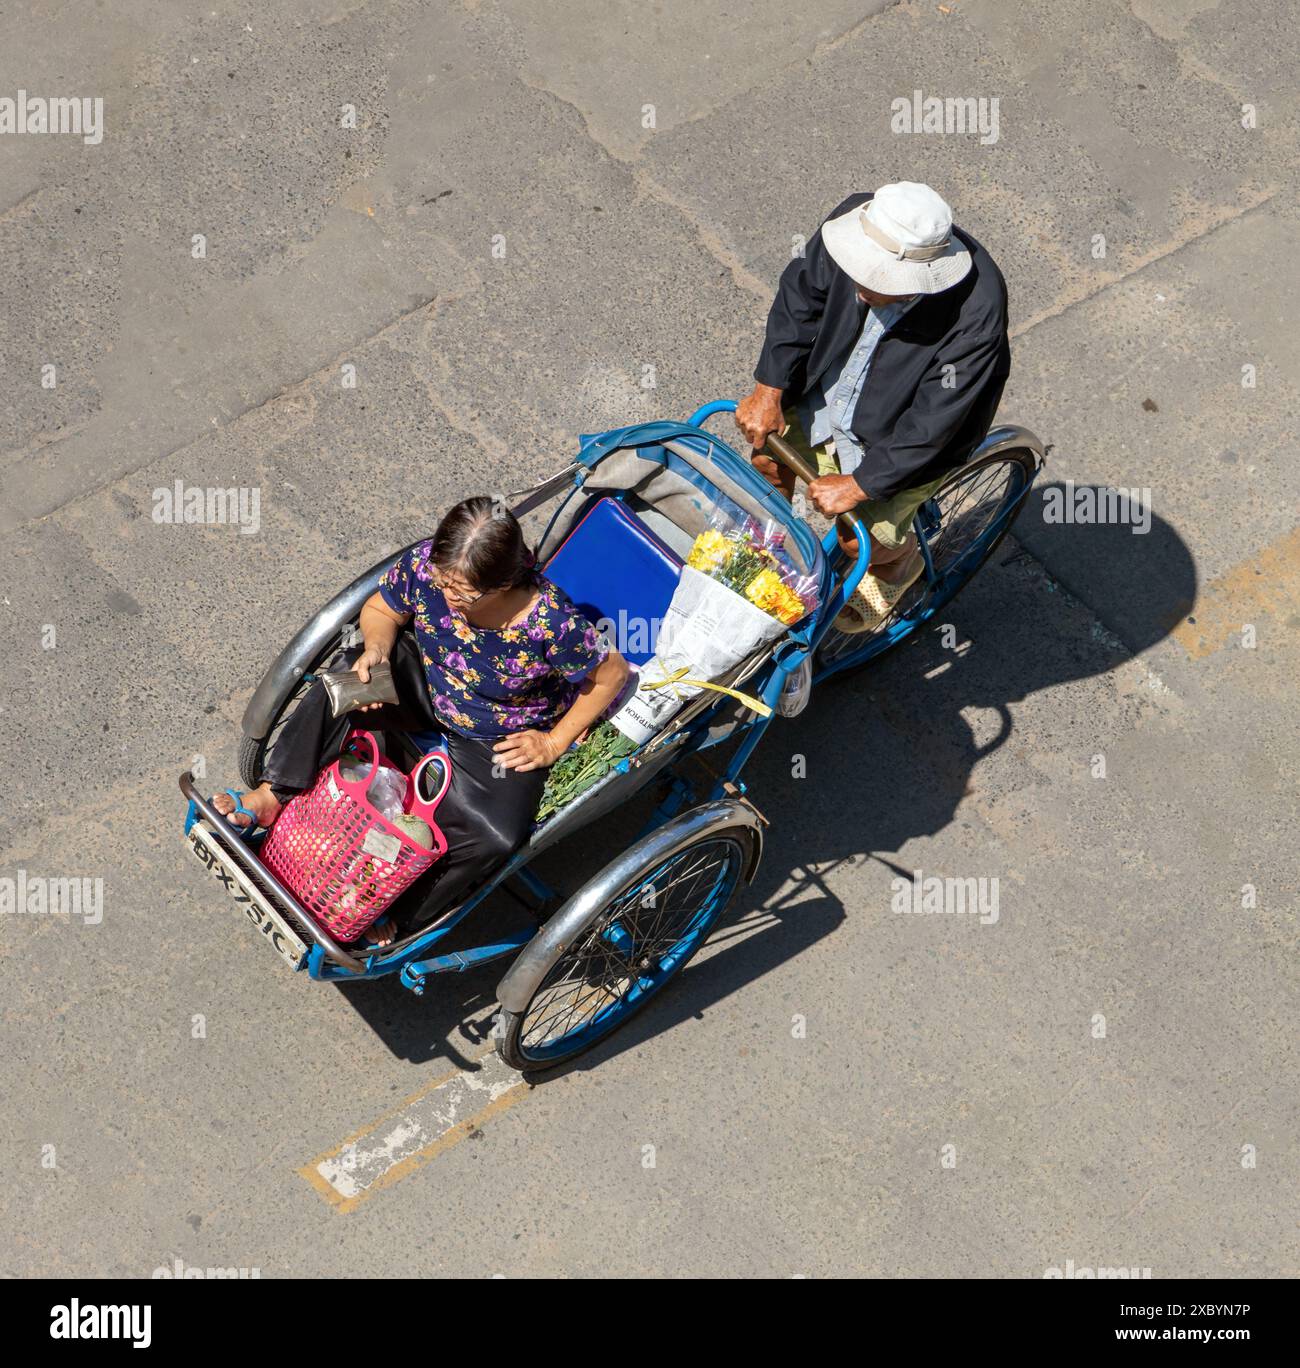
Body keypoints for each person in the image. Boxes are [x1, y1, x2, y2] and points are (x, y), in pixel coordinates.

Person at [215, 497, 629, 945]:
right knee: (346, 677)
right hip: (426, 681)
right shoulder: (425, 564)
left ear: (506, 581)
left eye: (464, 592)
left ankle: (390, 907)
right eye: (443, 581)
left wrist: (553, 742)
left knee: (495, 834)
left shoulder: (551, 621)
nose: (449, 596)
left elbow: (611, 675)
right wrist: (376, 649)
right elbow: (382, 609)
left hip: (496, 728)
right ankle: (274, 793)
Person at [735, 181, 1010, 632]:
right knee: (767, 461)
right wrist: (769, 389)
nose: (859, 286)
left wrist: (860, 485)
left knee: (855, 537)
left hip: (896, 434)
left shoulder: (977, 316)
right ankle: (761, 560)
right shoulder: (860, 220)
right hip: (828, 391)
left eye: (876, 280)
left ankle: (899, 566)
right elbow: (800, 300)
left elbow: (932, 424)